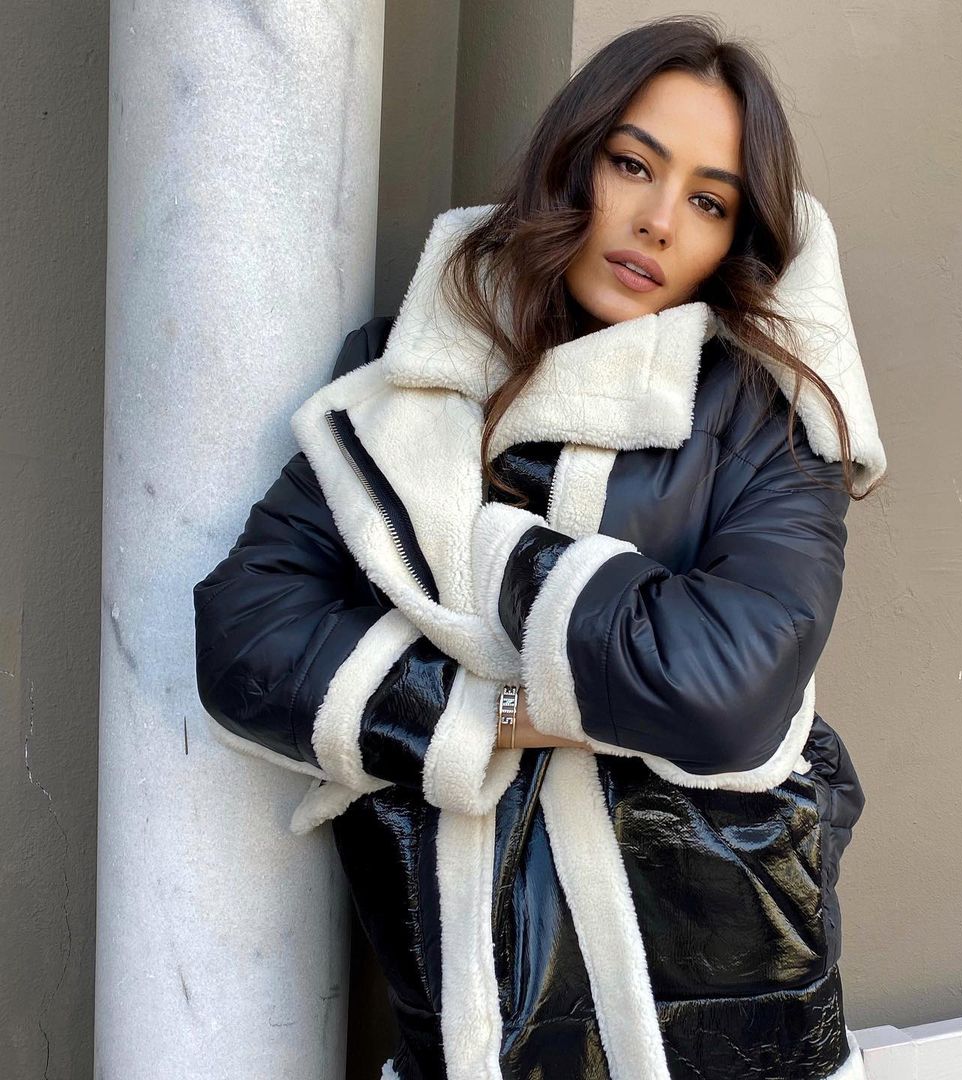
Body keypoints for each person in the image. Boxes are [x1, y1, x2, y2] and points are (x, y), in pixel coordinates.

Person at [193, 15, 888, 1080]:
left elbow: (728, 688)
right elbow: (247, 634)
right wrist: (504, 712)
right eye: (632, 165)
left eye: (708, 202)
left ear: (734, 239)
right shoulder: (410, 371)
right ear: (575, 158)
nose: (658, 222)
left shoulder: (768, 413)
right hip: (476, 1009)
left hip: (731, 1002)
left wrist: (486, 561)